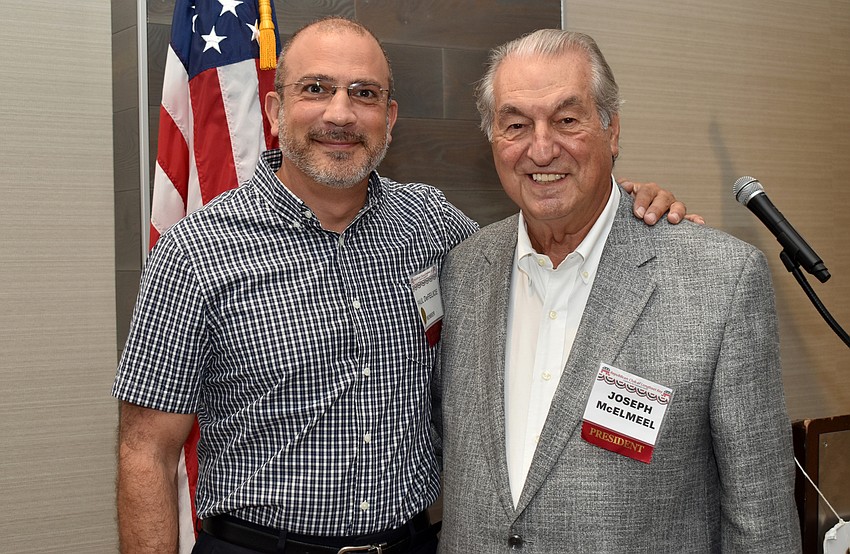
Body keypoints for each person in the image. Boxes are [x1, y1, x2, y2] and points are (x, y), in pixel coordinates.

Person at [113, 17, 691, 554]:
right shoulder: (195, 251)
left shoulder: (434, 226)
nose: (341, 114)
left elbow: (542, 247)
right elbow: (146, 452)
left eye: (364, 94)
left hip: (413, 544)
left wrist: (625, 209)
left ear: (389, 117)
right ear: (274, 109)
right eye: (315, 89)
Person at [434, 29, 802, 553]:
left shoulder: (721, 280)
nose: (542, 148)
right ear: (493, 139)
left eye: (567, 120)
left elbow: (760, 517)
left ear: (612, 131)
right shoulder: (462, 269)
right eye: (516, 125)